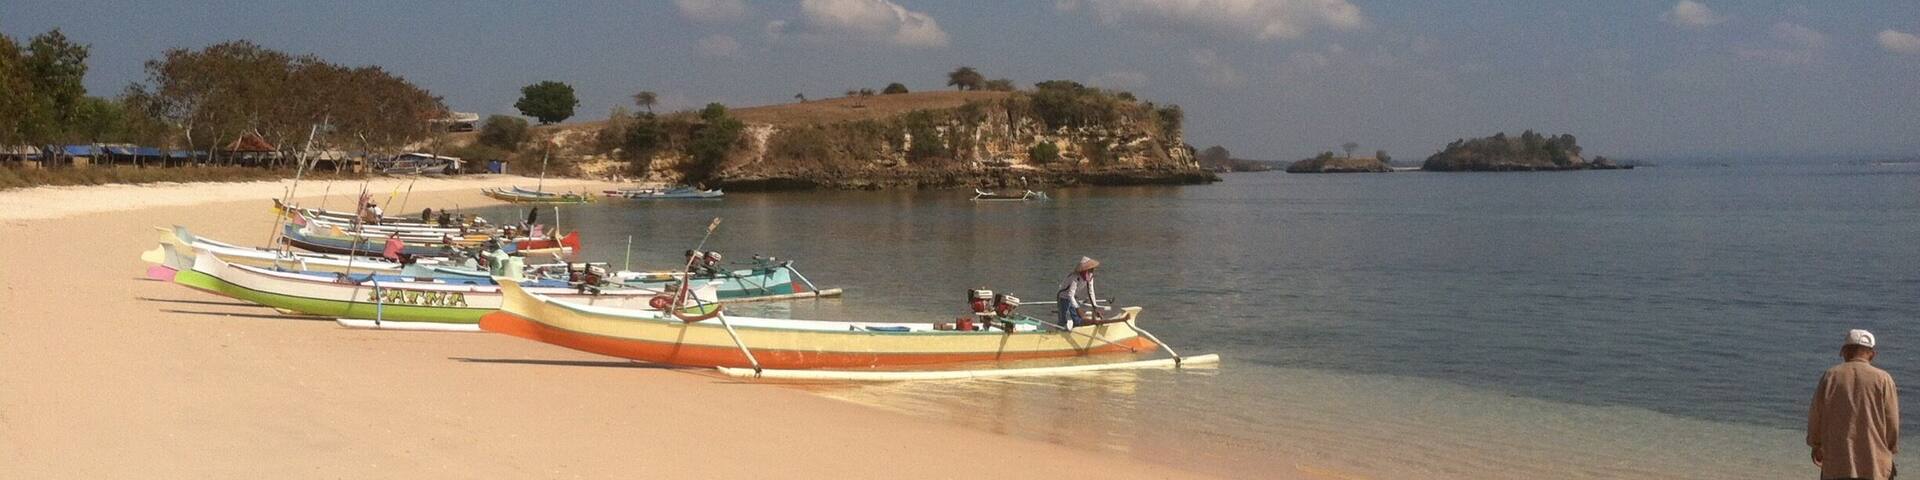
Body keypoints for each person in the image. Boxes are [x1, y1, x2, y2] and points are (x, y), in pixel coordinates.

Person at [1809, 329, 1900, 480]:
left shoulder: (1831, 376)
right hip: (1874, 464)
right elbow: (1892, 421)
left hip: (1837, 463)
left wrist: (1816, 444)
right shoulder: (1883, 379)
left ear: (1844, 352)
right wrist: (1890, 449)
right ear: (1872, 354)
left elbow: (1816, 414)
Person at [1056, 257, 1100, 329]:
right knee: (1063, 319)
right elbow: (1070, 295)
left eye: (1092, 269)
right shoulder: (1075, 277)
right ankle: (1059, 330)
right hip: (1063, 296)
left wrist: (1095, 307)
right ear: (1085, 270)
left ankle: (1076, 328)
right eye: (1090, 269)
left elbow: (1090, 291)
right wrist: (1077, 308)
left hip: (1073, 297)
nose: (1092, 271)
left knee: (1077, 318)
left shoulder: (1090, 276)